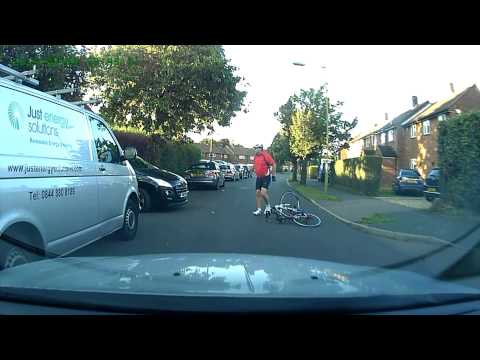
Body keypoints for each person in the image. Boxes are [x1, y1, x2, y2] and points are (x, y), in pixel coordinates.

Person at [252, 144, 276, 216]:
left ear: (260, 149)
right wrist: (252, 169)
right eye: (255, 148)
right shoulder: (255, 157)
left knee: (263, 193)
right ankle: (259, 209)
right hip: (259, 177)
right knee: (257, 193)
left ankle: (268, 206)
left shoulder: (265, 155)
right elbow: (255, 165)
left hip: (266, 176)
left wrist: (273, 175)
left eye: (256, 148)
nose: (255, 150)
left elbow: (273, 164)